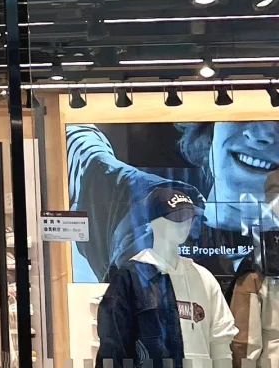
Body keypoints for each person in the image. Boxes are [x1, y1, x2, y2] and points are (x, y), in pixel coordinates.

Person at [68, 120, 279, 287]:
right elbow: (77, 141)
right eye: (240, 117)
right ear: (210, 129)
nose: (262, 135)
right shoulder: (141, 202)